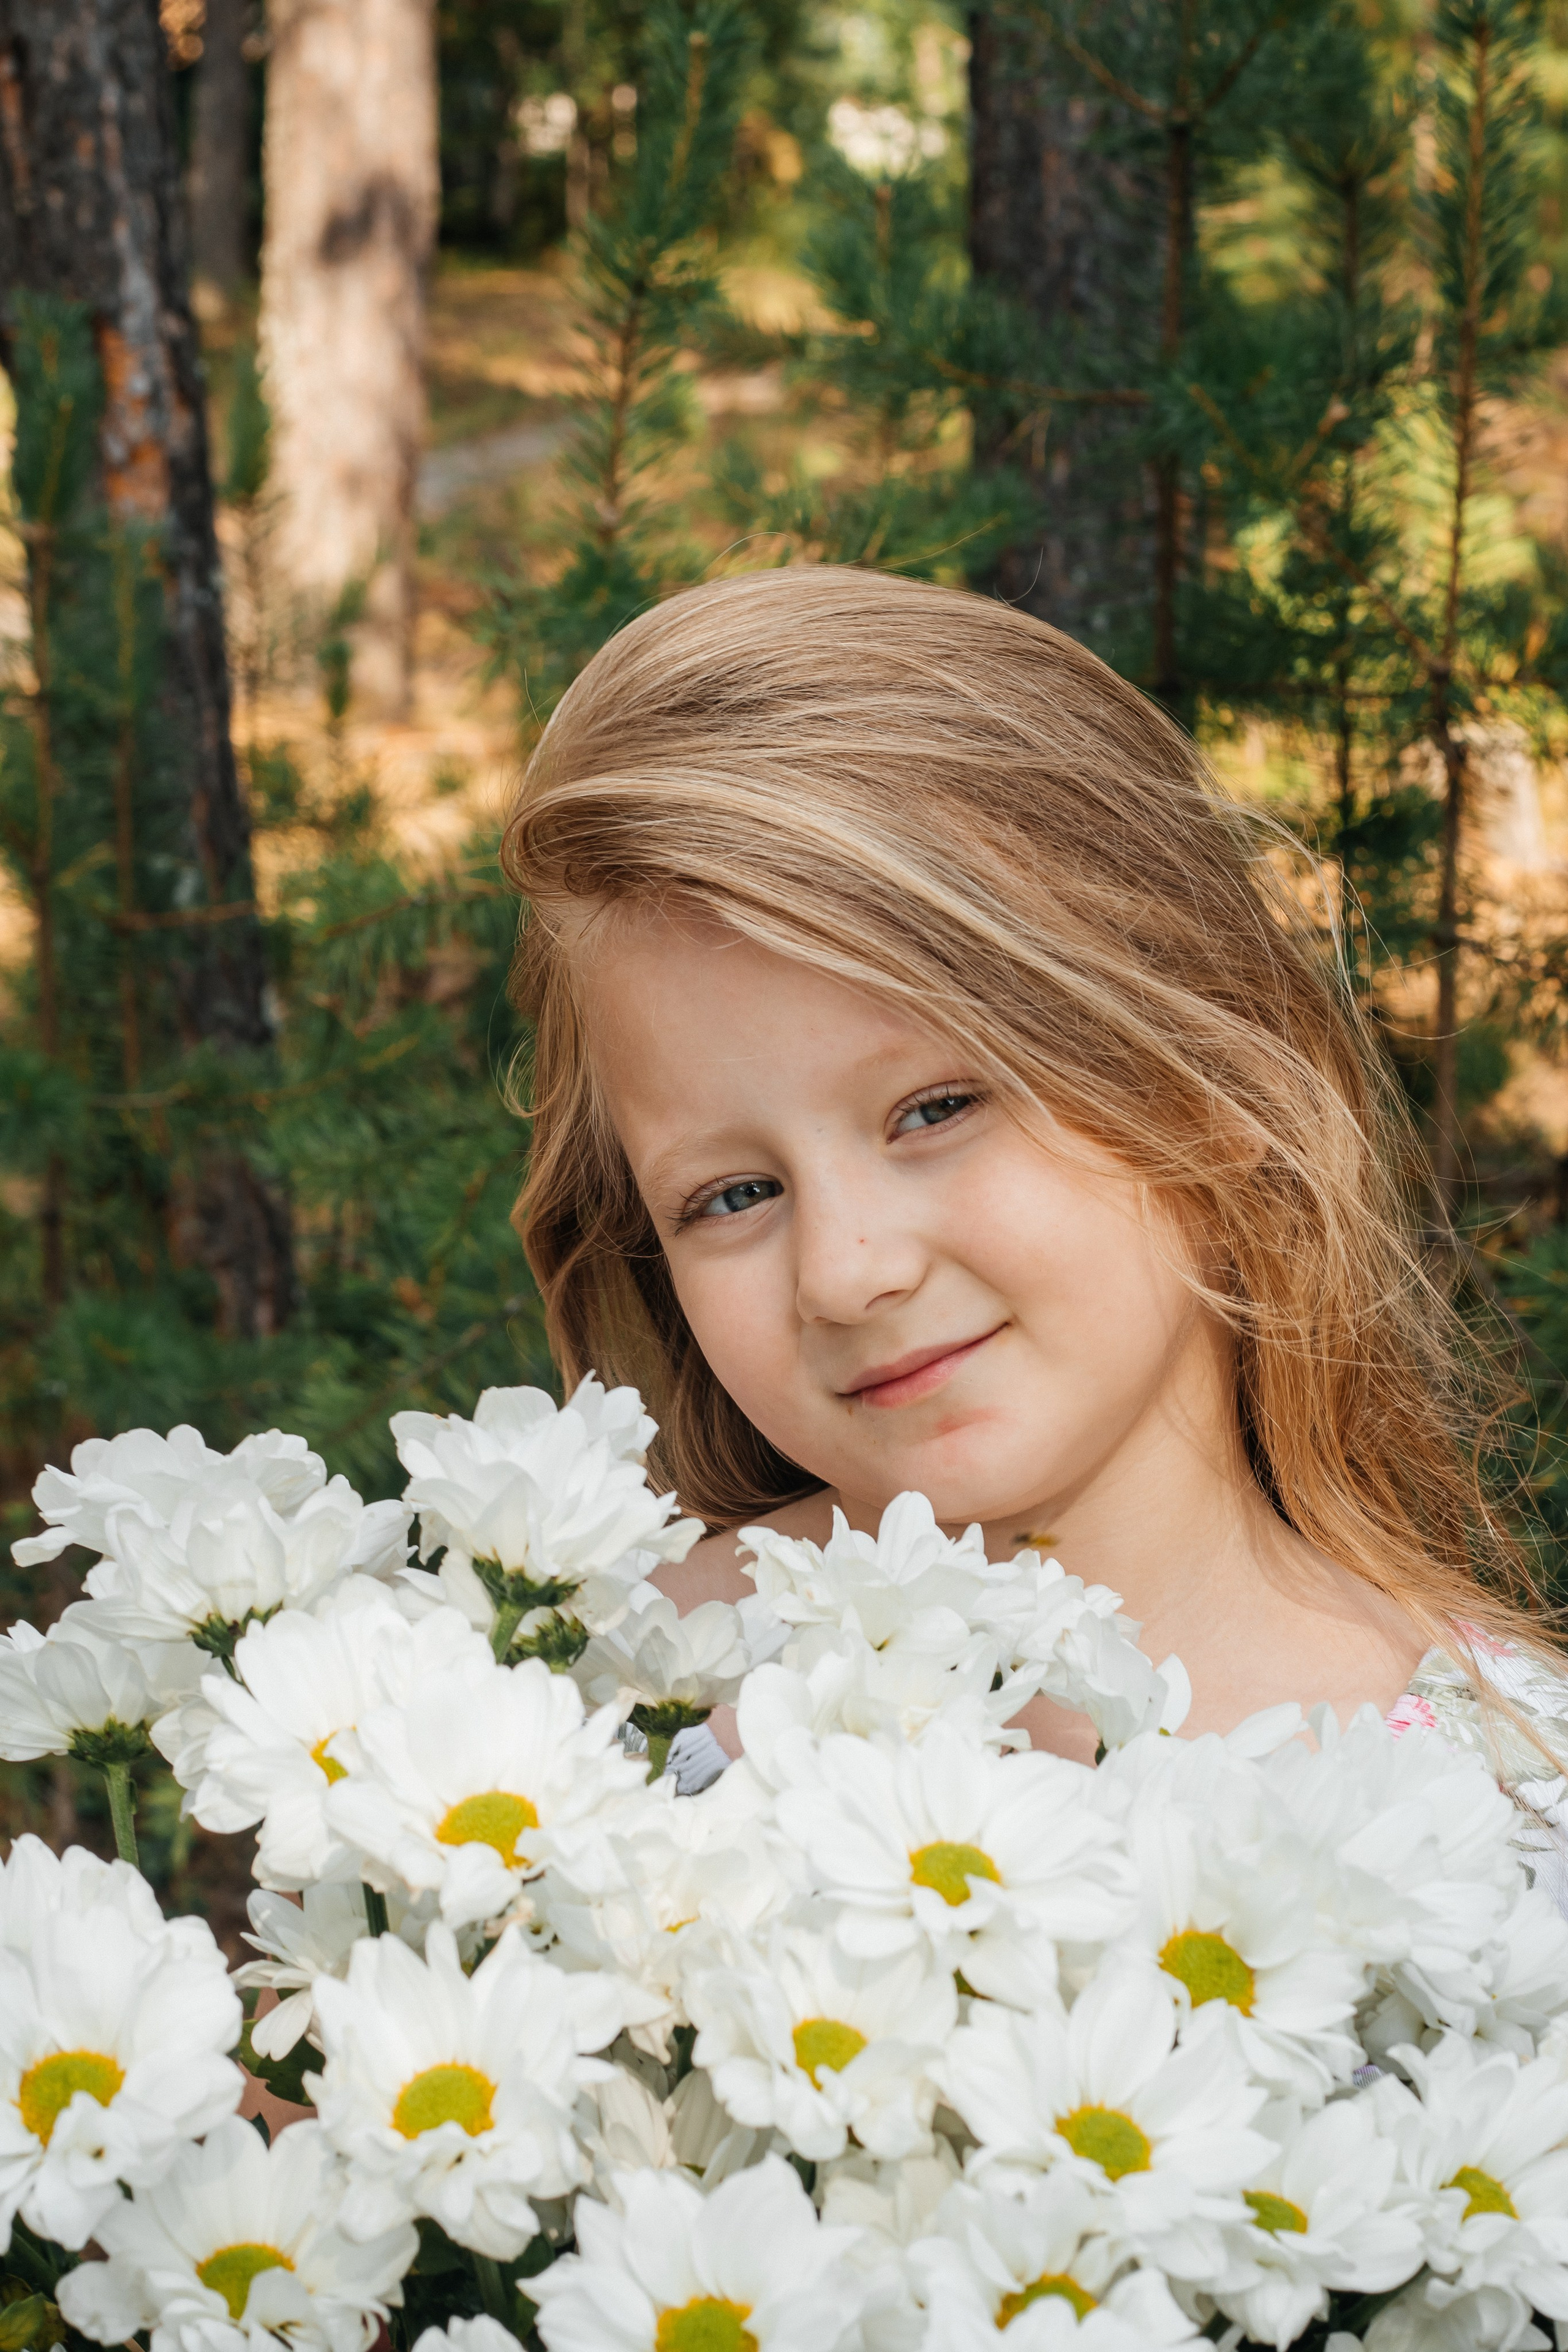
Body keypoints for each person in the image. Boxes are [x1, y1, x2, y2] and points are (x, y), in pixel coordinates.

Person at [500, 565, 1568, 1819]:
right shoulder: (565, 1717)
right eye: (732, 1195)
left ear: (1208, 1083)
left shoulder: (1502, 1806)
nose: (846, 1272)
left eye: (936, 1111)